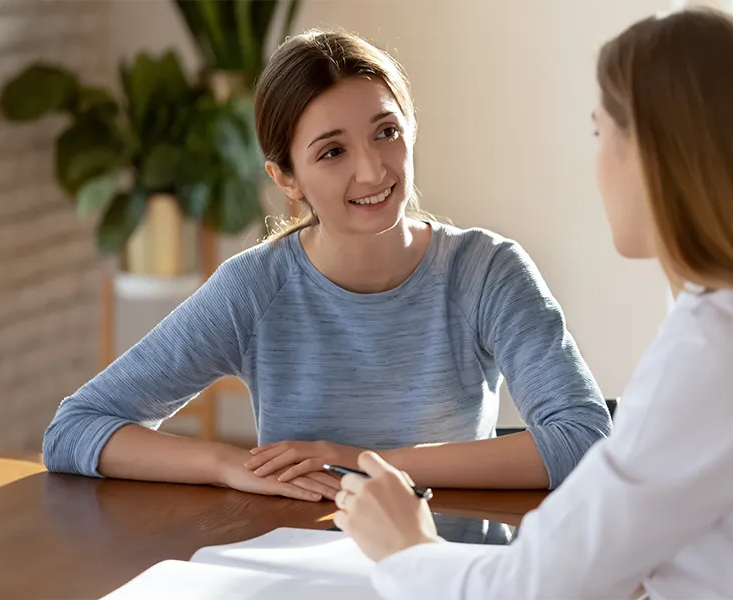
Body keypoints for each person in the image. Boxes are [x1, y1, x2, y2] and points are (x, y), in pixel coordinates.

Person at [331, 7, 733, 599]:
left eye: (601, 132)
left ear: (661, 155)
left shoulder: (721, 347)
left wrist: (407, 547)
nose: (598, 164)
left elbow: (536, 588)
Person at [41, 30, 613, 502]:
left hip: (446, 564)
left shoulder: (488, 271)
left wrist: (363, 462)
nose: (372, 172)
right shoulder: (257, 287)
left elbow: (583, 438)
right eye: (332, 152)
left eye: (386, 133)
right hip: (296, 560)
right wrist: (227, 464)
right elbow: (75, 428)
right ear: (286, 178)